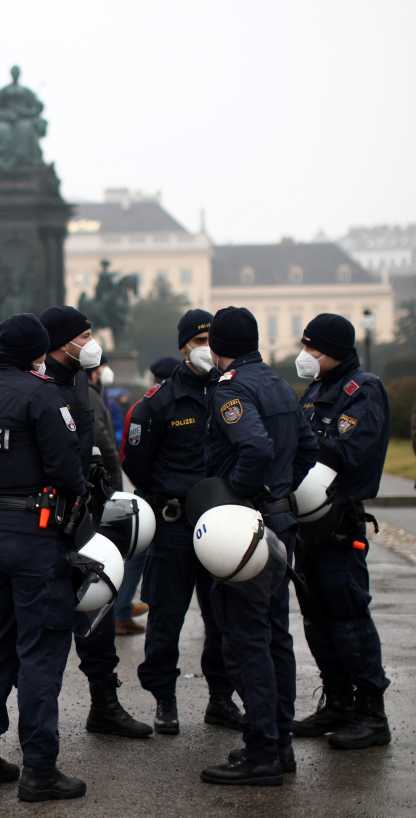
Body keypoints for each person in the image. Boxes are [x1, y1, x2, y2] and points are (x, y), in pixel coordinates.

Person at [0, 314, 89, 801]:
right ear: (37, 352)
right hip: (31, 532)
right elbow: (67, 468)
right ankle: (39, 769)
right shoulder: (41, 394)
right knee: (41, 647)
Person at [200, 306, 318, 786]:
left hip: (248, 528)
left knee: (246, 640)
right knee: (275, 637)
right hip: (281, 521)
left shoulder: (231, 389)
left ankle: (261, 751)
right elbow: (308, 449)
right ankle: (279, 743)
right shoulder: (276, 384)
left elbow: (254, 447)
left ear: (217, 346)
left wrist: (238, 498)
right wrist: (280, 491)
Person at [123, 309, 243, 734]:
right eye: (200, 339)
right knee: (166, 620)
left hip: (224, 524)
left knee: (223, 620)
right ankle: (164, 699)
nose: (208, 347)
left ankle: (221, 698)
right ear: (183, 347)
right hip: (174, 526)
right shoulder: (157, 403)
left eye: (214, 338)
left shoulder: (232, 394)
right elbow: (136, 462)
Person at [39, 306, 152, 739]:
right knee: (56, 624)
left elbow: (104, 449)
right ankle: (43, 726)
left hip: (88, 518)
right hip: (58, 522)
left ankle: (104, 703)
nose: (91, 342)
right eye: (83, 335)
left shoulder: (81, 387)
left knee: (97, 616)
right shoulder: (47, 389)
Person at [291, 314, 391, 749]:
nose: (306, 355)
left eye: (314, 348)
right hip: (306, 523)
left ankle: (371, 712)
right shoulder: (315, 391)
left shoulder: (362, 389)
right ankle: (337, 700)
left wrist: (301, 448)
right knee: (316, 617)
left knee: (348, 616)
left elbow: (349, 449)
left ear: (334, 350)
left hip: (338, 519)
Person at [86, 359, 145, 635]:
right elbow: (104, 441)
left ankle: (116, 608)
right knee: (114, 548)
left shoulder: (91, 394)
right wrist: (115, 485)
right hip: (101, 487)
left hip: (98, 485)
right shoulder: (90, 395)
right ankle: (111, 611)